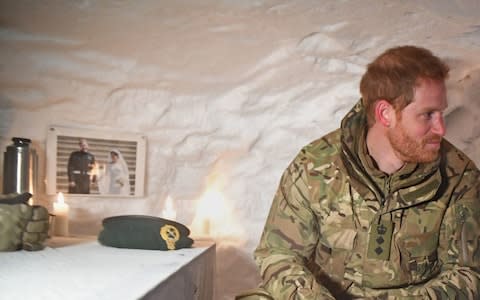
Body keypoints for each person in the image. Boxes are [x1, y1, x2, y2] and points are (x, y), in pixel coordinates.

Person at [237, 46, 480, 299]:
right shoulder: (315, 166)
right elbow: (279, 254)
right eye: (427, 115)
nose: (440, 128)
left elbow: (467, 274)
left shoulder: (459, 177)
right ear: (385, 113)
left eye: (441, 113)